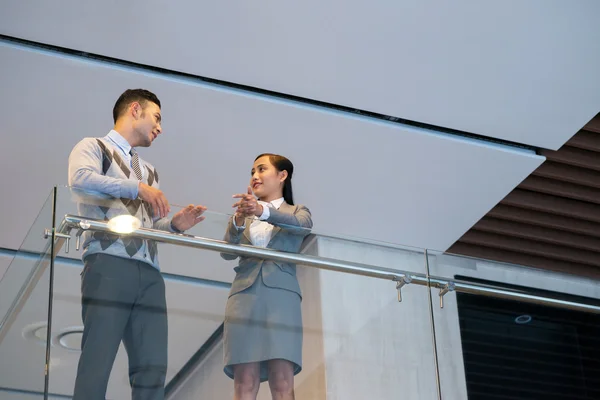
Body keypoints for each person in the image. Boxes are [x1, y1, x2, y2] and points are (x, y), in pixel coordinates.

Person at [68, 89, 207, 400]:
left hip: (149, 273)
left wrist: (174, 225)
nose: (160, 128)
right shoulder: (94, 147)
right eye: (156, 118)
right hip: (107, 263)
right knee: (98, 359)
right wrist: (138, 188)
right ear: (135, 110)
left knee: (153, 368)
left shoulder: (150, 171)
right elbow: (79, 178)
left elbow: (145, 224)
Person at [221, 153, 313, 400]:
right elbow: (226, 252)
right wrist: (239, 221)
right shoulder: (243, 214)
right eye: (252, 172)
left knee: (282, 380)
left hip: (281, 298)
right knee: (244, 382)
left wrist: (262, 210)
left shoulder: (297, 211)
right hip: (243, 297)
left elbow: (303, 226)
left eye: (261, 169)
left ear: (282, 175)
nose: (255, 176)